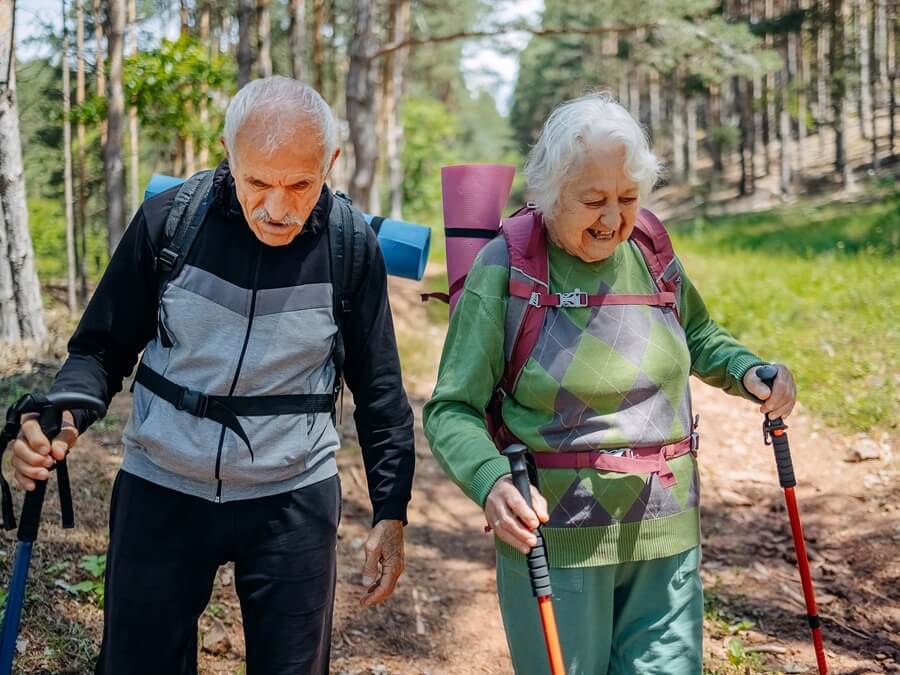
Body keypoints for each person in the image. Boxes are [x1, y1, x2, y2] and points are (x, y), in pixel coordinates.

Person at [10, 76, 415, 674]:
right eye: (258, 182)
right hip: (162, 482)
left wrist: (391, 508)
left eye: (301, 184)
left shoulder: (350, 246)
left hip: (292, 493)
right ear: (228, 155)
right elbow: (101, 347)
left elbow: (380, 391)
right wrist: (67, 411)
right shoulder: (169, 223)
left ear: (331, 162)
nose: (278, 209)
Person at [423, 92, 797, 674]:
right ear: (549, 194)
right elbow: (451, 408)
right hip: (557, 544)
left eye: (627, 197)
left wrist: (748, 369)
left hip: (666, 535)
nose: (613, 218)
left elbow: (696, 333)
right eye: (593, 199)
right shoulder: (506, 269)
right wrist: (491, 482)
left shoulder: (648, 249)